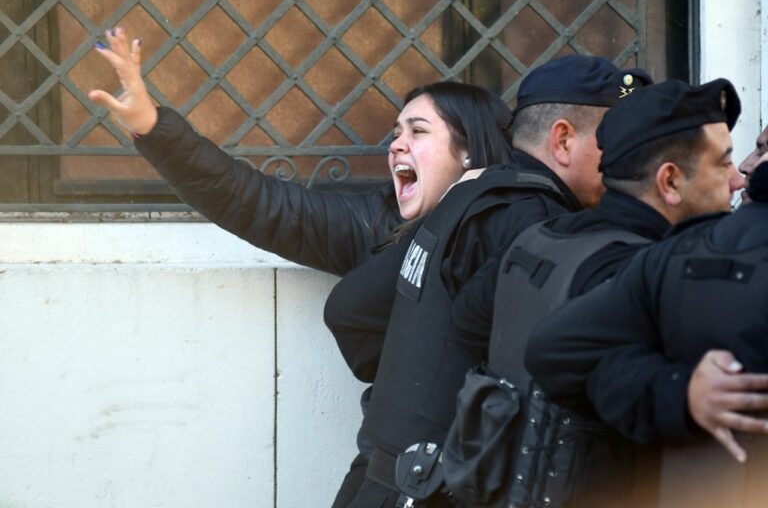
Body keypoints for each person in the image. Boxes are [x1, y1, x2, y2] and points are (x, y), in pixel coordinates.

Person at [88, 28, 517, 508]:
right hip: (386, 470)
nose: (397, 145)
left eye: (418, 132)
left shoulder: (517, 230)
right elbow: (256, 202)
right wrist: (153, 124)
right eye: (396, 132)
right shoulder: (378, 223)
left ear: (469, 153)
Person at [358, 56, 652, 506]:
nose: (628, 159)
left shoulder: (474, 192)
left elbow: (354, 312)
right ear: (563, 139)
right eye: (615, 140)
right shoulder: (531, 217)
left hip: (392, 478)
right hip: (429, 488)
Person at [443, 78, 744, 508]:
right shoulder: (645, 270)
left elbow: (470, 323)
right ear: (670, 182)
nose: (736, 181)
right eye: (723, 163)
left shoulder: (541, 237)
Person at [526, 151, 768, 507]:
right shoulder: (680, 252)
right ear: (667, 180)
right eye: (723, 160)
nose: (746, 167)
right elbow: (555, 350)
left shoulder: (682, 249)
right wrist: (683, 393)